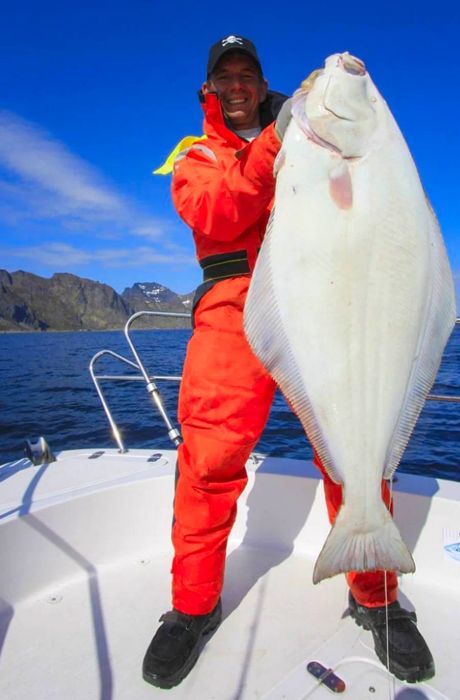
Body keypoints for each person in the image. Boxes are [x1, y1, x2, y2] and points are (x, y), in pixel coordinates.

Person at [142, 35, 435, 689]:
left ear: (262, 82)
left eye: (248, 74)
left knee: (355, 445)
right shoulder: (195, 158)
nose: (238, 84)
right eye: (226, 77)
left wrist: (307, 125)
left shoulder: (302, 134)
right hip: (229, 318)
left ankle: (377, 597)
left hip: (324, 306)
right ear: (209, 91)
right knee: (210, 468)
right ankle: (191, 609)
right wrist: (280, 138)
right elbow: (220, 211)